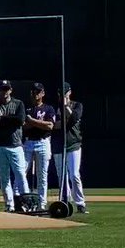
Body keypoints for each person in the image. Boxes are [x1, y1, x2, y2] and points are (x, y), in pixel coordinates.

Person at [0, 80, 29, 212]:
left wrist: (4, 118)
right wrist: (10, 120)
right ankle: (9, 205)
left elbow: (20, 120)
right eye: (2, 89)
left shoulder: (18, 104)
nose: (4, 92)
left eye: (7, 89)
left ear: (10, 90)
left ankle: (27, 204)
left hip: (15, 145)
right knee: (4, 177)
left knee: (21, 175)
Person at [53, 82, 88, 214]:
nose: (63, 95)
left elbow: (74, 118)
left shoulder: (77, 105)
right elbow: (54, 125)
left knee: (74, 175)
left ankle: (80, 203)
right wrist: (63, 122)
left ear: (69, 92)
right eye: (60, 93)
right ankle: (64, 200)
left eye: (65, 93)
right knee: (62, 176)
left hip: (73, 144)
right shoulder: (55, 108)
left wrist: (66, 106)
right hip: (58, 145)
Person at [23, 82, 57, 208]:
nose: (34, 94)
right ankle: (22, 200)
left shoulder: (48, 108)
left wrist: (32, 122)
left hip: (43, 142)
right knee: (22, 171)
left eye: (37, 92)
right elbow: (24, 127)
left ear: (42, 93)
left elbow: (50, 125)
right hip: (29, 141)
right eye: (33, 91)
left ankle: (42, 203)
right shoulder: (27, 108)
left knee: (42, 175)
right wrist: (39, 123)